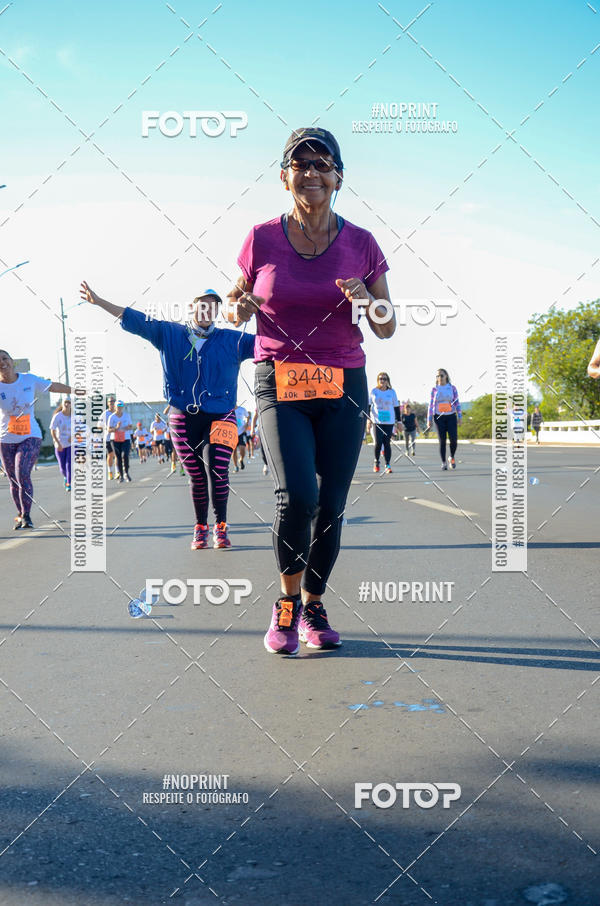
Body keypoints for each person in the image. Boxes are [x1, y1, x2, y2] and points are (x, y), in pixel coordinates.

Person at [226, 126, 395, 655]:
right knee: (298, 494)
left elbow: (387, 326)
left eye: (323, 164)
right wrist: (240, 310)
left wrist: (367, 297)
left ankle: (315, 605)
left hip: (344, 380)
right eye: (301, 165)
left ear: (339, 177)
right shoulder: (261, 237)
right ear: (285, 177)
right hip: (279, 379)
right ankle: (286, 603)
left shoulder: (361, 243)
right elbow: (233, 304)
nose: (312, 173)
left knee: (332, 505)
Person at [80, 282, 255, 549]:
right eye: (203, 304)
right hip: (182, 416)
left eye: (214, 306)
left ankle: (221, 526)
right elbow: (135, 319)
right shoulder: (169, 333)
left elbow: (271, 344)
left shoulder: (233, 340)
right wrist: (100, 301)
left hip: (222, 415)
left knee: (218, 470)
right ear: (192, 307)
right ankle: (200, 527)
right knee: (197, 475)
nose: (208, 310)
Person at [0, 350, 70, 529]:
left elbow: (52, 386)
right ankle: (21, 513)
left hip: (30, 436)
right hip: (6, 439)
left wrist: (74, 390)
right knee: (13, 480)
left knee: (22, 473)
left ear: (12, 361)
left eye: (5, 358)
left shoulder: (28, 379)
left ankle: (27, 515)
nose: (2, 362)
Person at [427, 368, 462, 469]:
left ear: (446, 376)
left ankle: (451, 457)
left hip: (451, 416)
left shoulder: (452, 388)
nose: (439, 378)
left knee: (454, 440)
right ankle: (443, 462)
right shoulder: (434, 389)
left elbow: (457, 403)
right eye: (437, 376)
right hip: (439, 417)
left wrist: (460, 416)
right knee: (442, 441)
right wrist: (429, 419)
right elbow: (430, 405)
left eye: (441, 375)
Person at [366, 372, 400, 474]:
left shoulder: (392, 392)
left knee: (387, 443)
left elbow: (396, 407)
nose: (382, 380)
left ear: (387, 381)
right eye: (380, 379)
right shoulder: (374, 391)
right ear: (378, 380)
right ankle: (376, 461)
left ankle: (387, 464)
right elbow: (368, 406)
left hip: (389, 422)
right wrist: (368, 419)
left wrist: (399, 421)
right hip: (377, 421)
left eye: (384, 379)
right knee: (378, 442)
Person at [50, 397, 73, 490]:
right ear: (62, 404)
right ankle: (66, 477)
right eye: (65, 402)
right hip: (59, 444)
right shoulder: (57, 416)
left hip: (71, 444)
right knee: (62, 468)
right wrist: (58, 443)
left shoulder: (74, 416)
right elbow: (52, 430)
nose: (67, 404)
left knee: (69, 465)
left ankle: (68, 483)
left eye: (69, 402)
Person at [108, 400, 133, 482]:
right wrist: (116, 427)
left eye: (121, 406)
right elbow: (109, 430)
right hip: (115, 439)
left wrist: (126, 428)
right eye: (118, 406)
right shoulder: (112, 417)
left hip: (126, 438)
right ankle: (121, 476)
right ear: (115, 407)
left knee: (125, 455)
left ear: (122, 407)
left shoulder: (127, 416)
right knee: (118, 457)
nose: (119, 408)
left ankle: (126, 473)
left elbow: (130, 426)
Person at [232, 404, 250, 472]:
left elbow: (248, 416)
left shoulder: (242, 409)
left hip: (241, 432)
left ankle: (241, 459)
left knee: (243, 449)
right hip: (232, 433)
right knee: (234, 451)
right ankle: (236, 466)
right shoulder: (228, 409)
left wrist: (246, 425)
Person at [103, 396, 117, 479]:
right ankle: (110, 471)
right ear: (108, 403)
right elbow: (99, 425)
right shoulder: (105, 414)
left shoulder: (118, 413)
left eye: (113, 401)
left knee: (117, 455)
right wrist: (106, 428)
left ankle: (118, 471)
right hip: (108, 437)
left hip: (117, 437)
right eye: (110, 401)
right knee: (111, 454)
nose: (111, 403)